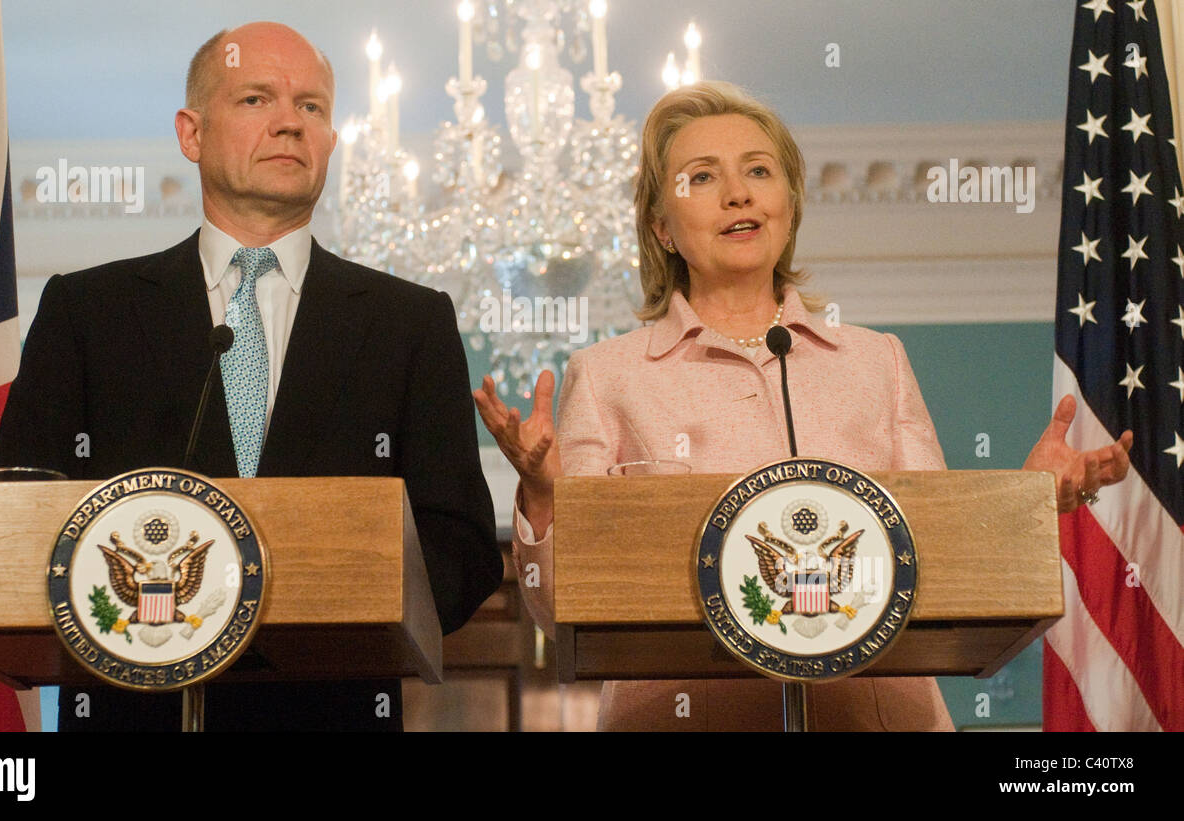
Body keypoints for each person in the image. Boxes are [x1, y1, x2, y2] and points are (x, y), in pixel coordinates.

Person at [474, 81, 1133, 731]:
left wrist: (1029, 498)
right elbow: (562, 606)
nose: (738, 191)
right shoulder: (608, 375)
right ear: (662, 227)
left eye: (758, 170)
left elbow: (936, 557)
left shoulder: (877, 361)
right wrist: (542, 496)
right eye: (701, 177)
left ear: (787, 203)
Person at [0, 21, 503, 731]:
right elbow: (22, 512)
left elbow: (463, 548)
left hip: (332, 710)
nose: (291, 122)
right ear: (191, 134)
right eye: (257, 99)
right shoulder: (87, 312)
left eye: (313, 107)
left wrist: (328, 603)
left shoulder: (409, 322)